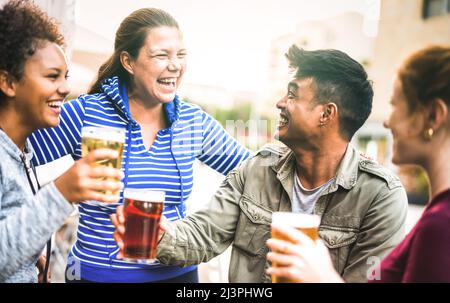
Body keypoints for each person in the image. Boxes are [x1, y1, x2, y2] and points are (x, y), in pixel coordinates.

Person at [111, 46, 409, 282]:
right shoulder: (258, 169)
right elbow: (204, 233)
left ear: (326, 114)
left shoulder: (380, 198)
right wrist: (162, 237)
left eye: (292, 94)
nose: (280, 102)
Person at [28, 7, 250, 283]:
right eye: (161, 55)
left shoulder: (193, 122)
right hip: (96, 276)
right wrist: (27, 245)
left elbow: (252, 173)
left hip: (178, 275)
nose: (175, 65)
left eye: (180, 55)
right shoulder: (86, 113)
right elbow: (15, 161)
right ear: (128, 62)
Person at [265, 45, 450, 283]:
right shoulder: (436, 219)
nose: (387, 122)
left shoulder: (440, 226)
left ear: (433, 116)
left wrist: (323, 278)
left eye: (395, 105)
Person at [0, 0, 123, 283]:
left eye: (65, 76)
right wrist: (62, 191)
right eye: (52, 76)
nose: (66, 88)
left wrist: (28, 258)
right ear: (8, 82)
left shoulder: (21, 150)